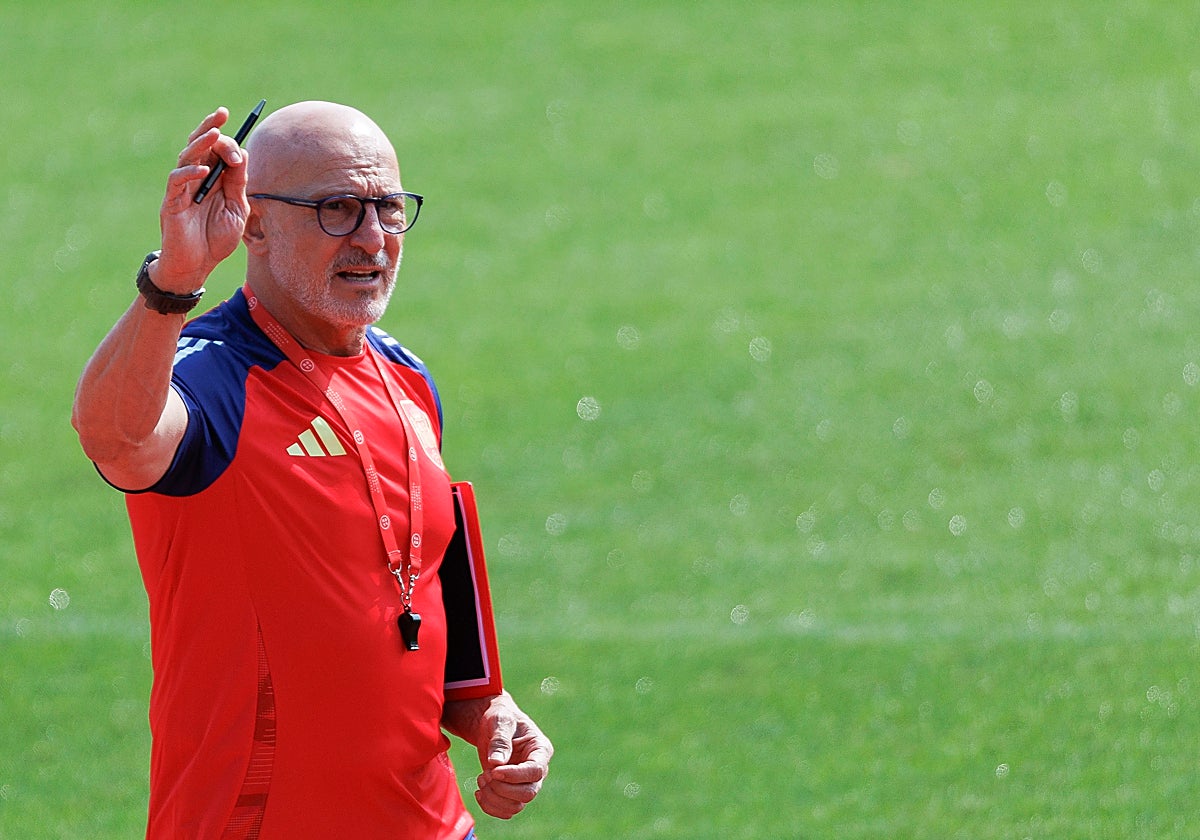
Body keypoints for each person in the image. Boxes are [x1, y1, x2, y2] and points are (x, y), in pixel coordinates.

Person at [71, 101, 552, 839]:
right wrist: (174, 278)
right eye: (337, 208)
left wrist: (489, 711)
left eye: (389, 208)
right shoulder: (213, 379)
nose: (372, 239)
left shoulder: (407, 377)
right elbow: (113, 438)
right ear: (254, 223)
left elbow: (416, 598)